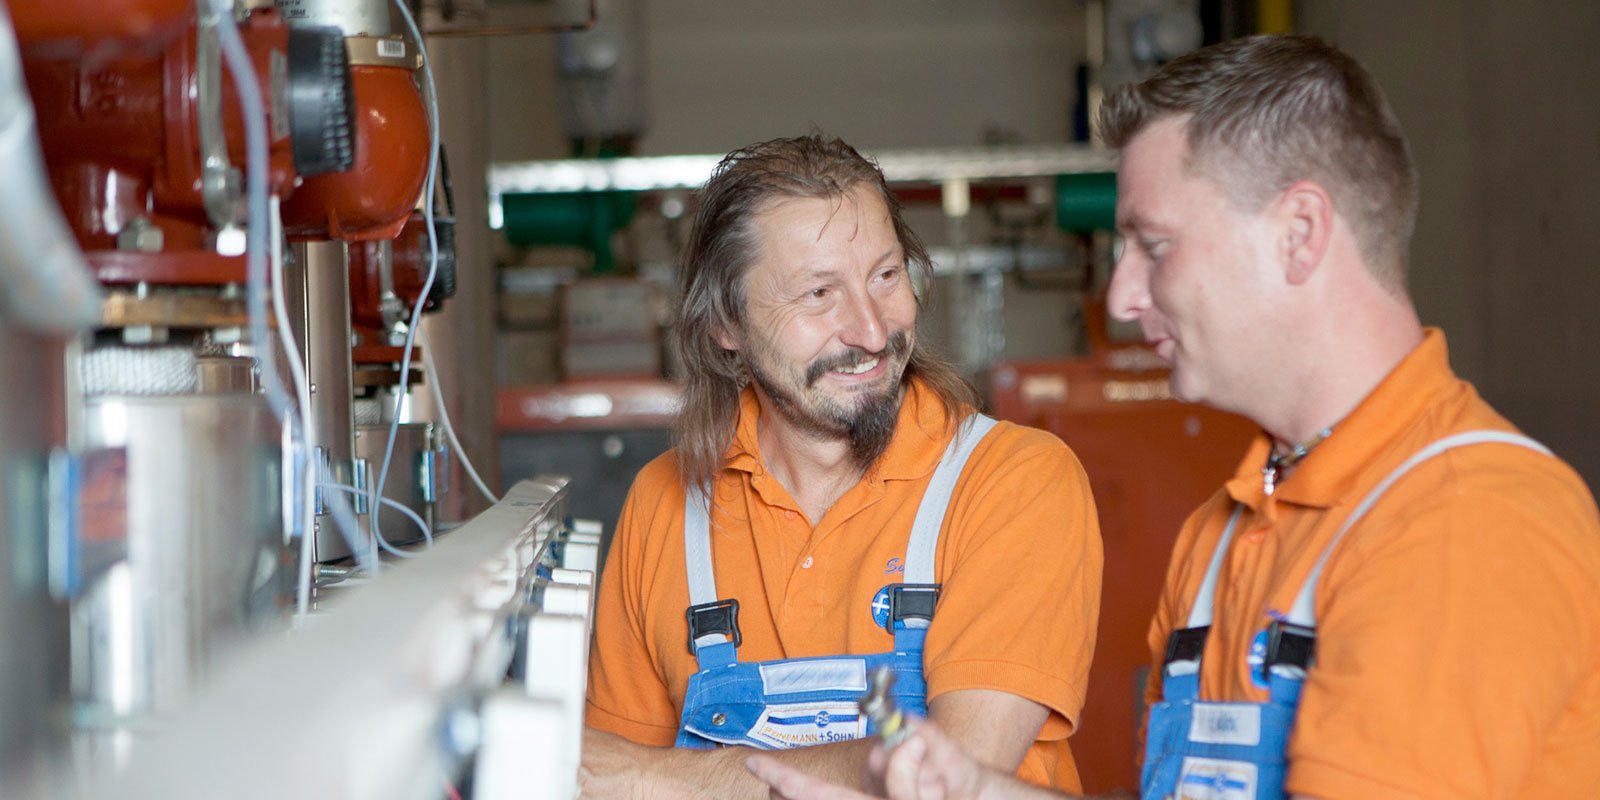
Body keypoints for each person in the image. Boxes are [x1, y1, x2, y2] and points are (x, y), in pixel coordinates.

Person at [750, 33, 1600, 800]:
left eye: (1154, 247)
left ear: (1300, 234)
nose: (1121, 296)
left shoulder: (1463, 524)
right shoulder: (1224, 531)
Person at [579, 134, 1105, 798]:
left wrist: (663, 777)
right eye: (819, 294)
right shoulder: (666, 504)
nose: (871, 330)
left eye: (888, 276)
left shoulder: (1013, 481)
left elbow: (949, 774)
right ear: (725, 324)